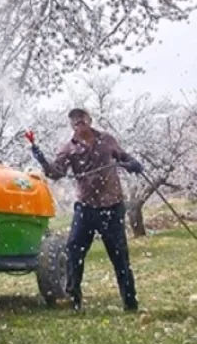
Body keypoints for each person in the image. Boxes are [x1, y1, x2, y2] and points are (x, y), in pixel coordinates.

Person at [26, 109, 144, 312]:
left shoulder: (107, 140)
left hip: (112, 206)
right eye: (74, 119)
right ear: (71, 125)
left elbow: (125, 157)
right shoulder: (67, 149)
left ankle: (130, 303)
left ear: (90, 120)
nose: (78, 121)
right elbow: (56, 173)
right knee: (73, 251)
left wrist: (132, 163)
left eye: (81, 118)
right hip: (86, 208)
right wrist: (40, 157)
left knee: (119, 256)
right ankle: (74, 300)